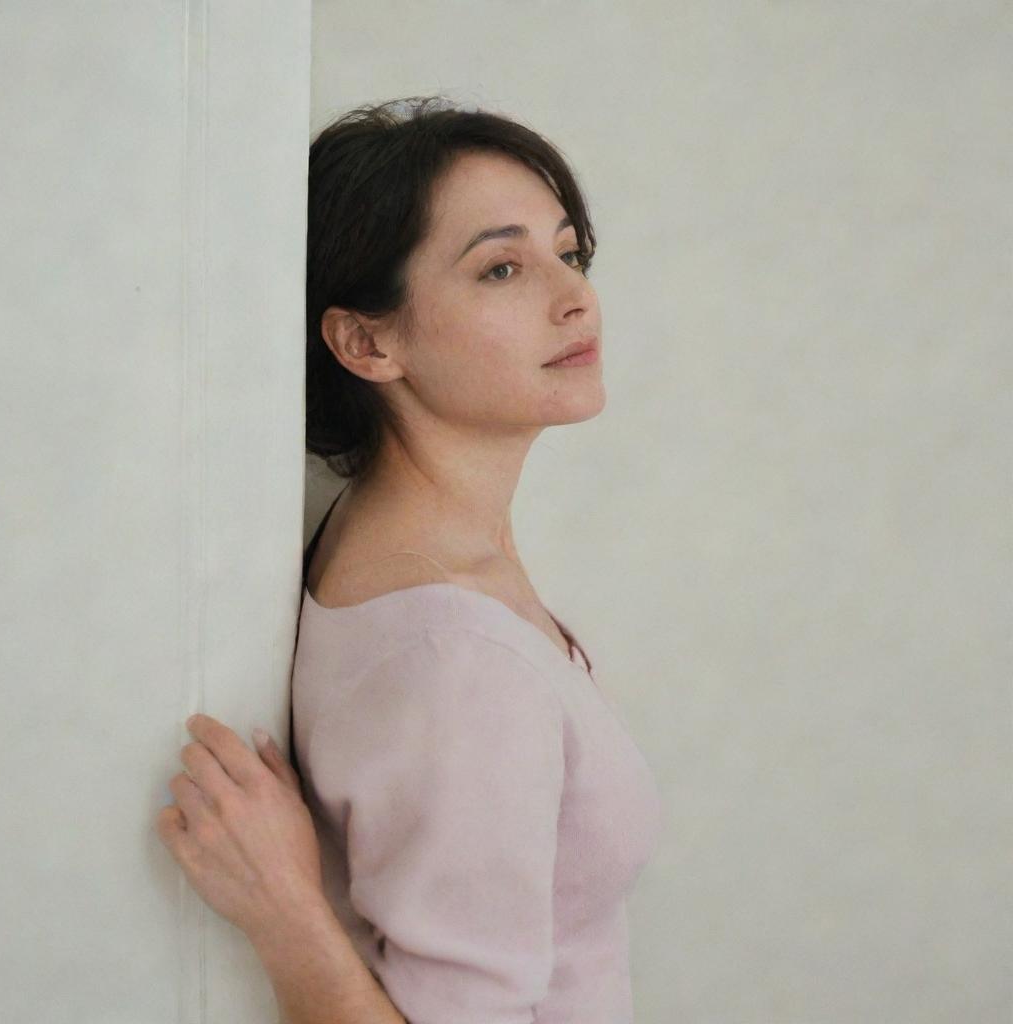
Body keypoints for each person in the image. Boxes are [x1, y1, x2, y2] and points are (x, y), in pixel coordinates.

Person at [158, 95, 662, 1024]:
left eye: (570, 252)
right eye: (502, 267)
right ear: (366, 340)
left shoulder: (409, 550)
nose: (574, 296)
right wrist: (286, 915)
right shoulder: (457, 662)